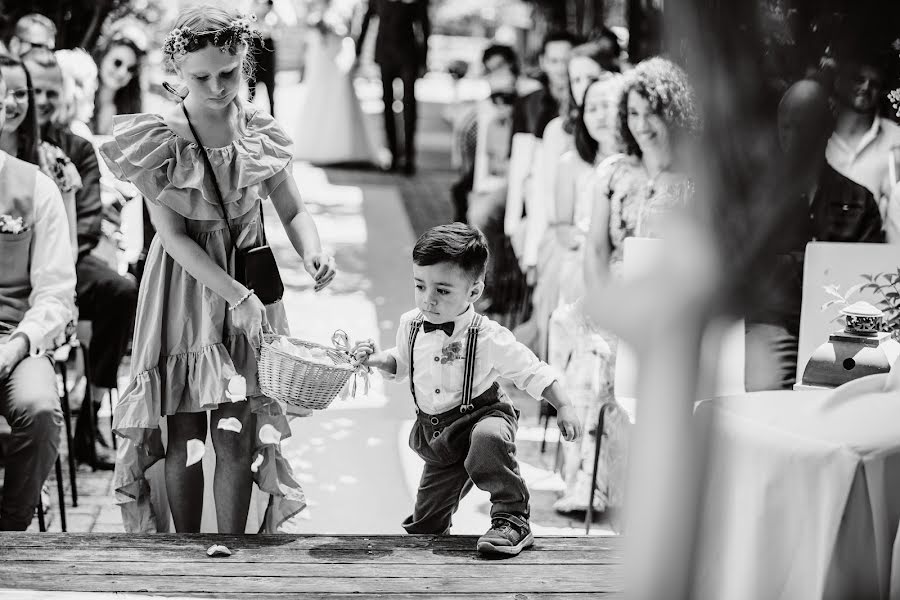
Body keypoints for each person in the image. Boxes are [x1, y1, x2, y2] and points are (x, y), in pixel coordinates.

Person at [99, 6, 337, 534]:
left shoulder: (259, 130)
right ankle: (186, 547)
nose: (217, 87)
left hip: (249, 289)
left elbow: (292, 209)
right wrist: (235, 294)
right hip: (187, 290)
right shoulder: (159, 138)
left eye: (228, 74)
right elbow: (174, 239)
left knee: (236, 430)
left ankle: (231, 547)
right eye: (200, 77)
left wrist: (312, 250)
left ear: (245, 64)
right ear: (177, 72)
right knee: (187, 434)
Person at [352, 223, 582, 556]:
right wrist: (377, 360)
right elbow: (402, 362)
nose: (428, 299)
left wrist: (563, 405)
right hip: (439, 434)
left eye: (442, 290)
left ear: (473, 292)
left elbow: (531, 370)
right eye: (420, 286)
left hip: (483, 416)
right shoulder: (410, 324)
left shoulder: (487, 335)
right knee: (425, 526)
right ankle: (434, 539)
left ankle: (512, 519)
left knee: (487, 440)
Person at [23, 47, 138, 471]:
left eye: (52, 92)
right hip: (13, 266)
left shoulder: (76, 148)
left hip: (68, 260)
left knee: (121, 291)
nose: (44, 101)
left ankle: (88, 415)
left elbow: (88, 224)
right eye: (36, 92)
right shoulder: (11, 148)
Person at [744, 79, 884, 391]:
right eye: (786, 126)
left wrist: (794, 266)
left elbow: (868, 281)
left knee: (848, 399)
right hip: (773, 324)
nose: (791, 137)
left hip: (841, 328)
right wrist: (814, 266)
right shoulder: (759, 198)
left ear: (825, 128)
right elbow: (748, 271)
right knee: (773, 390)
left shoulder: (859, 199)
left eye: (803, 125)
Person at [0, 65, 75, 531]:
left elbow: (54, 293)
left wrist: (17, 346)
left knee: (41, 411)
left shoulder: (36, 186)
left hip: (14, 337)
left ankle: (9, 531)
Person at [547, 75, 624, 514]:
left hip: (617, 279)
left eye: (608, 106)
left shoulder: (627, 169)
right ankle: (579, 477)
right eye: (591, 106)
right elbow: (559, 230)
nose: (599, 115)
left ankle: (606, 478)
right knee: (574, 382)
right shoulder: (569, 165)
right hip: (579, 278)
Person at [520, 38, 622, 361]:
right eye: (574, 79)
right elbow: (547, 207)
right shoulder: (564, 142)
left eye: (589, 79)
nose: (579, 86)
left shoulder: (627, 158)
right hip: (575, 246)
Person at [0, 53, 80, 258]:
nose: (10, 103)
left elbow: (69, 246)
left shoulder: (55, 162)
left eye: (19, 93)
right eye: (2, 93)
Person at [826, 45, 900, 243]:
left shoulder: (896, 140)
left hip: (875, 260)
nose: (866, 87)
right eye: (858, 79)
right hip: (818, 256)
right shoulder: (817, 134)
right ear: (839, 82)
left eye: (874, 83)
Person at [293, 0, 377, 165]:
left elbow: (352, 31)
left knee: (340, 98)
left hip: (337, 58)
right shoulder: (315, 6)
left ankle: (344, 146)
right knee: (319, 98)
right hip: (321, 60)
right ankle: (318, 143)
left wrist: (333, 29)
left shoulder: (349, 5)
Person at [355, 0, 430, 175]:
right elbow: (368, 19)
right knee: (387, 103)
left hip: (408, 54)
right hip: (385, 53)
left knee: (409, 104)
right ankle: (393, 156)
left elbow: (424, 26)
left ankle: (409, 157)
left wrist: (424, 60)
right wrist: (358, 51)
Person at [91, 33, 145, 136]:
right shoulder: (80, 99)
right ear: (102, 57)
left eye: (131, 69)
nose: (122, 73)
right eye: (117, 62)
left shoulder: (130, 112)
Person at [247, 0, 278, 116]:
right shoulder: (251, 19)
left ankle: (273, 116)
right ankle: (247, 116)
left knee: (270, 93)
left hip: (268, 61)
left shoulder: (272, 18)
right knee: (251, 92)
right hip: (255, 59)